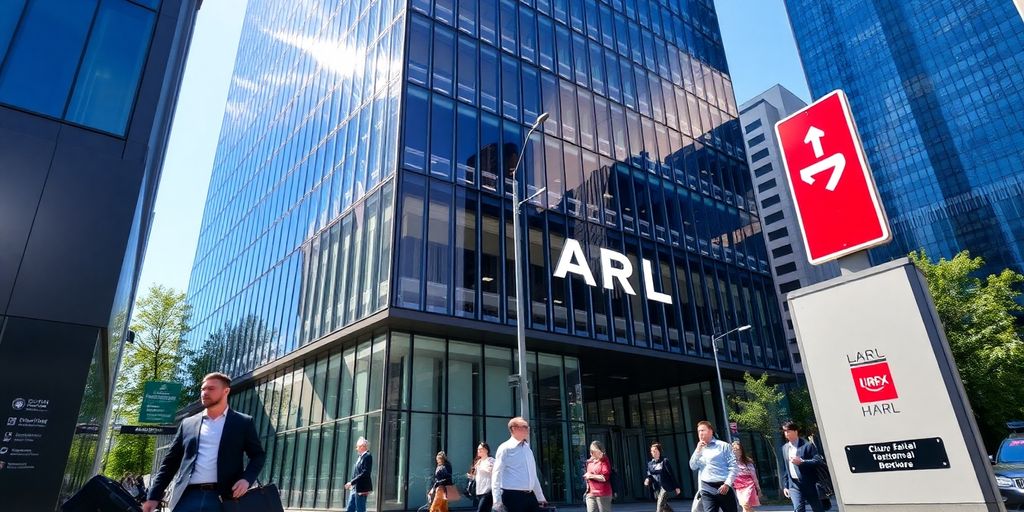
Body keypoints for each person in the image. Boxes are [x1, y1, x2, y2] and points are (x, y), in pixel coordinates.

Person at [144, 372, 266, 512]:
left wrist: (246, 479)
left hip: (223, 498)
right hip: (186, 497)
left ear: (226, 391)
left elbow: (258, 455)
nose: (205, 393)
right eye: (203, 389)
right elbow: (170, 463)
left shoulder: (243, 422)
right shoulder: (188, 424)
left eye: (211, 389)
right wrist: (153, 496)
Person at [492, 416, 548, 512]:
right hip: (512, 497)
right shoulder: (505, 448)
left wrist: (540, 497)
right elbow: (496, 474)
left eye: (527, 427)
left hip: (530, 497)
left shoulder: (527, 448)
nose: (528, 429)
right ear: (514, 429)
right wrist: (497, 501)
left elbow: (533, 475)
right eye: (525, 427)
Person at [688, 421, 737, 512]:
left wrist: (727, 484)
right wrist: (698, 451)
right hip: (706, 488)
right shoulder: (699, 449)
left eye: (703, 430)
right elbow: (692, 466)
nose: (700, 433)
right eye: (698, 431)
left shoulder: (723, 446)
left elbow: (734, 466)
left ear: (711, 431)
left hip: (723, 487)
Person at [778, 421, 824, 512]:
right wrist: (786, 485)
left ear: (795, 431)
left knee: (817, 508)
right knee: (798, 509)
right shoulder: (785, 448)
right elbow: (786, 469)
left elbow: (817, 460)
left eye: (788, 431)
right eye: (784, 431)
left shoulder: (807, 445)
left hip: (809, 483)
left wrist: (802, 462)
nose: (786, 433)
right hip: (794, 485)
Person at [645, 442, 681, 512]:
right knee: (664, 505)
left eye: (655, 450)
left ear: (659, 451)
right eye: (652, 451)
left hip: (665, 487)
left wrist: (677, 487)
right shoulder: (650, 464)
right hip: (657, 488)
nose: (653, 452)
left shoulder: (664, 461)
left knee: (660, 506)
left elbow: (671, 474)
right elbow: (650, 476)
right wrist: (647, 480)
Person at [731, 441, 761, 512]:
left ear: (741, 450)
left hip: (748, 485)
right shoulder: (731, 462)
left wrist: (758, 488)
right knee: (744, 506)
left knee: (745, 503)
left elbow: (754, 476)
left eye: (738, 449)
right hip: (738, 487)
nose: (736, 451)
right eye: (734, 450)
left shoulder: (747, 462)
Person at [345, 437, 373, 512]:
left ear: (363, 447)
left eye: (358, 447)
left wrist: (351, 482)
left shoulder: (367, 456)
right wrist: (352, 484)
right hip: (355, 487)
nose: (356, 449)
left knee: (360, 509)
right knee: (350, 508)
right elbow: (356, 472)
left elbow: (365, 473)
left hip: (361, 488)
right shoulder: (360, 457)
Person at [583, 441, 612, 512]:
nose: (591, 453)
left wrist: (591, 476)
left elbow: (604, 478)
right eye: (590, 451)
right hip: (590, 493)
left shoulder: (604, 461)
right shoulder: (589, 462)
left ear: (599, 451)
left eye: (593, 451)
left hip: (602, 494)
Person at [469, 442, 495, 512]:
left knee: (481, 510)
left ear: (486, 450)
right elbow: (477, 475)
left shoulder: (491, 460)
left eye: (480, 449)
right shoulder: (478, 461)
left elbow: (493, 471)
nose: (478, 451)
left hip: (488, 491)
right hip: (479, 491)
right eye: (478, 449)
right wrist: (471, 476)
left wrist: (480, 468)